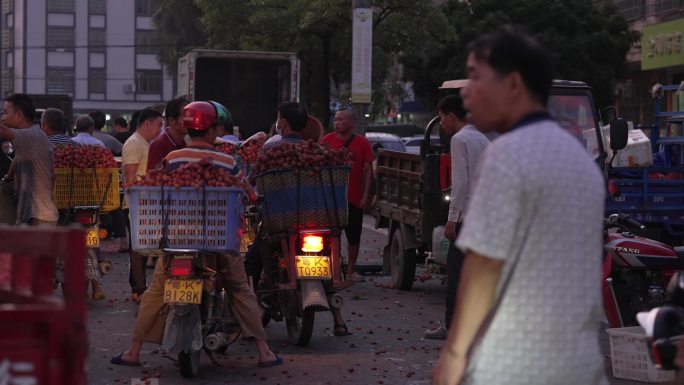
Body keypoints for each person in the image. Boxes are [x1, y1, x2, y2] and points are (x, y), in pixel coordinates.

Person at [431, 26, 607, 385]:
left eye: (476, 77)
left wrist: (454, 355)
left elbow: (482, 268)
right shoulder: (577, 158)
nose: (467, 92)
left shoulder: (508, 154)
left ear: (512, 85)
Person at [111, 101, 282, 368]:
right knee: (239, 287)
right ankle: (263, 351)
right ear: (213, 130)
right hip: (219, 239)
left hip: (178, 239)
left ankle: (133, 351)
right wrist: (249, 194)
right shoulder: (229, 161)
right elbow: (248, 194)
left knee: (155, 290)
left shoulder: (173, 158)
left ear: (188, 129)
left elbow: (159, 188)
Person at [246, 101, 351, 337]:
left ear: (281, 123)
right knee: (331, 261)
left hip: (280, 223)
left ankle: (247, 312)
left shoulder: (269, 151)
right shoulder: (320, 153)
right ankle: (339, 319)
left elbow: (253, 183)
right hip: (320, 220)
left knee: (251, 261)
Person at [424, 92, 489, 340]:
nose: (441, 124)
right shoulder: (482, 138)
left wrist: (452, 218)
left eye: (442, 118)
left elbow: (460, 183)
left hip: (467, 218)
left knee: (456, 274)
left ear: (452, 116)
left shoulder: (460, 139)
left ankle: (452, 326)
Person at [320, 108, 374, 282]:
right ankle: (332, 268)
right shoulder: (325, 141)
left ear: (351, 123)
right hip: (330, 199)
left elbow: (368, 171)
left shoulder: (362, 143)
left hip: (353, 198)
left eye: (341, 120)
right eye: (335, 119)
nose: (337, 122)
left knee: (353, 236)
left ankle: (351, 270)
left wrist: (366, 196)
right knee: (329, 236)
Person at [122, 108, 163, 302]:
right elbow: (129, 180)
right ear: (147, 123)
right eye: (158, 125)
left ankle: (137, 287)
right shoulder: (134, 143)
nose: (160, 129)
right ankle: (139, 289)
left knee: (140, 246)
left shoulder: (145, 143)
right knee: (138, 248)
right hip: (136, 204)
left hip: (145, 203)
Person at [0, 93, 59, 226]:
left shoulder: (29, 135)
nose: (2, 118)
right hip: (34, 215)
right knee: (5, 189)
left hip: (39, 218)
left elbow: (3, 132)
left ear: (19, 116)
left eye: (5, 113)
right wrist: (8, 177)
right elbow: (18, 158)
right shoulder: (34, 136)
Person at [146, 97, 188, 171]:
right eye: (185, 117)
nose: (190, 121)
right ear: (171, 121)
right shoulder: (159, 145)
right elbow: (152, 177)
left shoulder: (185, 143)